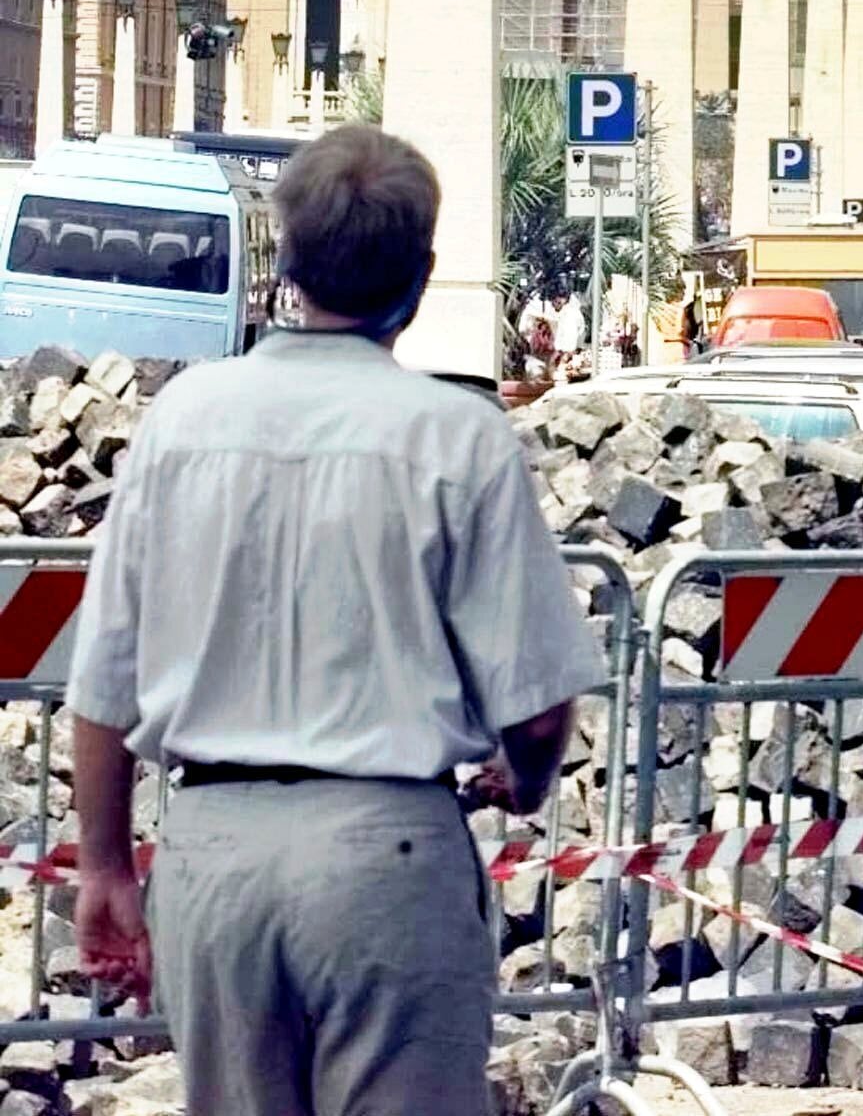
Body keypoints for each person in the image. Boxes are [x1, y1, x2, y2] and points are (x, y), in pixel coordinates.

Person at [66, 126, 606, 1116]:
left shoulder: (180, 421)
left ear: (288, 258)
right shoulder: (458, 436)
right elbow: (536, 706)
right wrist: (523, 782)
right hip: (385, 854)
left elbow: (103, 683)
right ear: (422, 272)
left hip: (213, 852)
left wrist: (103, 861)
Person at [552, 289, 587, 361]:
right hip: (567, 353)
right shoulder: (569, 311)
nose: (553, 304)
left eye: (555, 301)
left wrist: (565, 355)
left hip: (567, 355)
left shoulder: (570, 314)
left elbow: (570, 338)